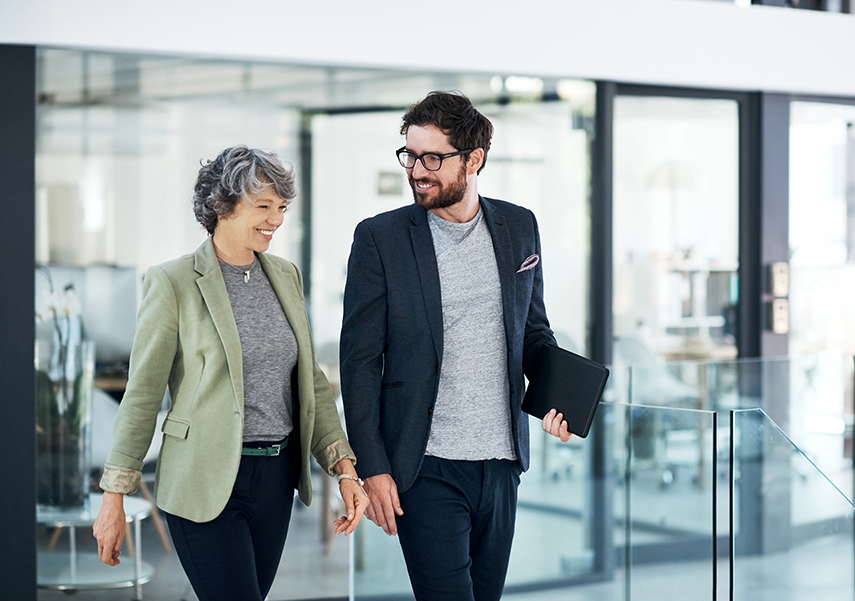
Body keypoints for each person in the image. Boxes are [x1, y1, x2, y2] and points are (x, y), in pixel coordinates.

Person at [92, 145, 368, 601]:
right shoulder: (173, 282)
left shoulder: (285, 274)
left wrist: (342, 467)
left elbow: (310, 380)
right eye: (263, 206)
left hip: (276, 481)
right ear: (222, 205)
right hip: (203, 481)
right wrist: (114, 495)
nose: (276, 220)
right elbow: (142, 396)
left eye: (281, 207)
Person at [339, 91, 571, 601]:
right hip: (426, 465)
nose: (418, 170)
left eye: (433, 158)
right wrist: (372, 468)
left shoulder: (519, 226)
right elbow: (358, 363)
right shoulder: (381, 239)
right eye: (411, 155)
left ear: (474, 159)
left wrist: (564, 398)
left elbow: (533, 333)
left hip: (503, 465)